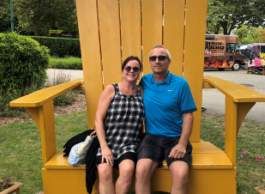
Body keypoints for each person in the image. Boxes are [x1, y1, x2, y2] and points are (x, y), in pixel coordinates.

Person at [135, 45, 197, 194]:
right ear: (149, 63)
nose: (157, 61)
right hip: (151, 138)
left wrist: (182, 144)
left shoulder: (180, 83)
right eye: (153, 58)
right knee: (141, 171)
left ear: (168, 61)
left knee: (181, 174)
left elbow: (188, 115)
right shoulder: (144, 81)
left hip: (175, 139)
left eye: (161, 57)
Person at [94, 56, 145, 194]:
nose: (131, 71)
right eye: (128, 68)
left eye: (135, 69)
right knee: (104, 172)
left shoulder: (142, 92)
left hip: (130, 144)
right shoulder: (111, 90)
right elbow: (98, 119)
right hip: (109, 141)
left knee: (128, 170)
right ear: (123, 71)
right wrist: (104, 147)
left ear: (139, 72)